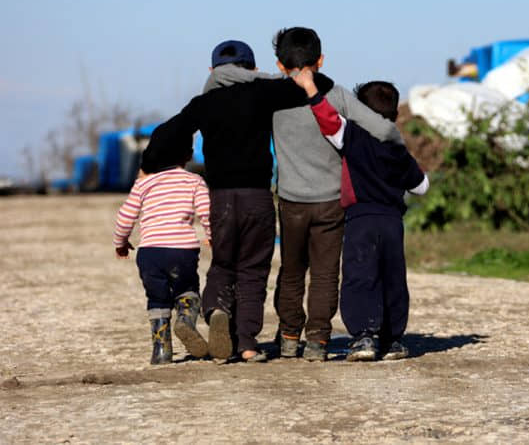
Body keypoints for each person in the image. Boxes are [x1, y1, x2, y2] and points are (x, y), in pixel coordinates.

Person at [141, 40, 334, 363]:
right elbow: (318, 84)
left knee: (223, 263)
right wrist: (274, 78)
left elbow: (167, 132)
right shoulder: (264, 92)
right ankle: (246, 343)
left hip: (220, 199)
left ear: (212, 71)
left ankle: (216, 308)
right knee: (253, 271)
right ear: (253, 69)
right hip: (256, 197)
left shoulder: (204, 102)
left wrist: (147, 167)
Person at [270, 27, 405, 361]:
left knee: (291, 270)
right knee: (326, 274)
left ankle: (288, 336)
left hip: (290, 201)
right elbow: (384, 129)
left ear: (279, 64)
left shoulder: (271, 98)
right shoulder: (338, 95)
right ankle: (317, 340)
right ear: (321, 60)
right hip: (331, 201)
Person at [292, 72, 429, 361]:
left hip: (360, 219)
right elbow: (421, 186)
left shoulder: (352, 135)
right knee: (393, 278)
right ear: (393, 114)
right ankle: (393, 340)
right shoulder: (396, 147)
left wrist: (311, 90)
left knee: (360, 276)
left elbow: (328, 119)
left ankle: (365, 337)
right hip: (392, 222)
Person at [113, 123, 211, 365]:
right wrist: (212, 235)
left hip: (150, 254)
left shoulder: (143, 184)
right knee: (187, 289)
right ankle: (185, 322)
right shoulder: (194, 181)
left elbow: (125, 217)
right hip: (182, 252)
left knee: (156, 298)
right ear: (188, 155)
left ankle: (161, 351)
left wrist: (121, 243)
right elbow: (208, 213)